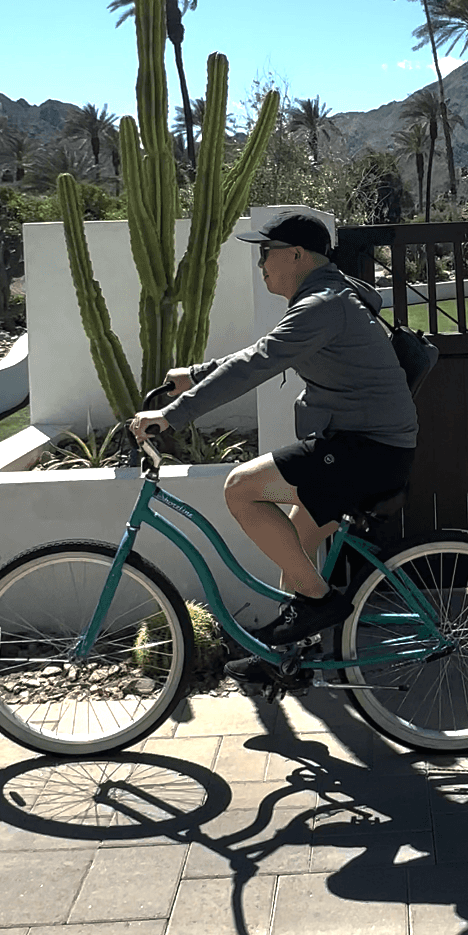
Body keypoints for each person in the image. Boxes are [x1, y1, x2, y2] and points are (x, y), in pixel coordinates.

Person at [129, 213, 418, 668]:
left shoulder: (322, 304)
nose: (261, 262)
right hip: (368, 448)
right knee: (297, 547)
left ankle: (322, 605)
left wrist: (171, 416)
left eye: (267, 252)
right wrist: (197, 375)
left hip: (365, 451)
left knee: (241, 488)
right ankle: (284, 658)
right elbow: (262, 353)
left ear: (297, 255)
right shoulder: (327, 298)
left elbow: (257, 364)